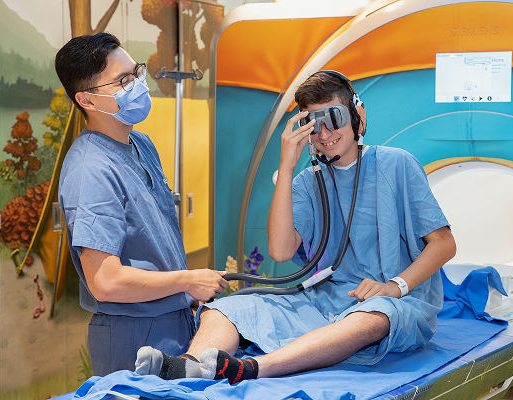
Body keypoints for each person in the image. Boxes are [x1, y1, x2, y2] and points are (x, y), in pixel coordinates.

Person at [134, 71, 456, 383]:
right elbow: (281, 249)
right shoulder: (307, 182)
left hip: (396, 302)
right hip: (326, 300)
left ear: (358, 114)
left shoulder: (396, 164)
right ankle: (191, 367)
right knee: (229, 307)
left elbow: (443, 243)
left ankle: (255, 367)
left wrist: (394, 286)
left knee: (375, 318)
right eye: (314, 126)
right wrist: (286, 166)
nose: (326, 135)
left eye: (335, 119)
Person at [55, 32, 228, 376]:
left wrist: (188, 291)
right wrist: (186, 280)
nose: (138, 85)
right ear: (87, 101)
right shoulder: (91, 170)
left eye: (136, 73)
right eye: (123, 81)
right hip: (134, 337)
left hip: (174, 324)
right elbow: (106, 281)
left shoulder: (140, 144)